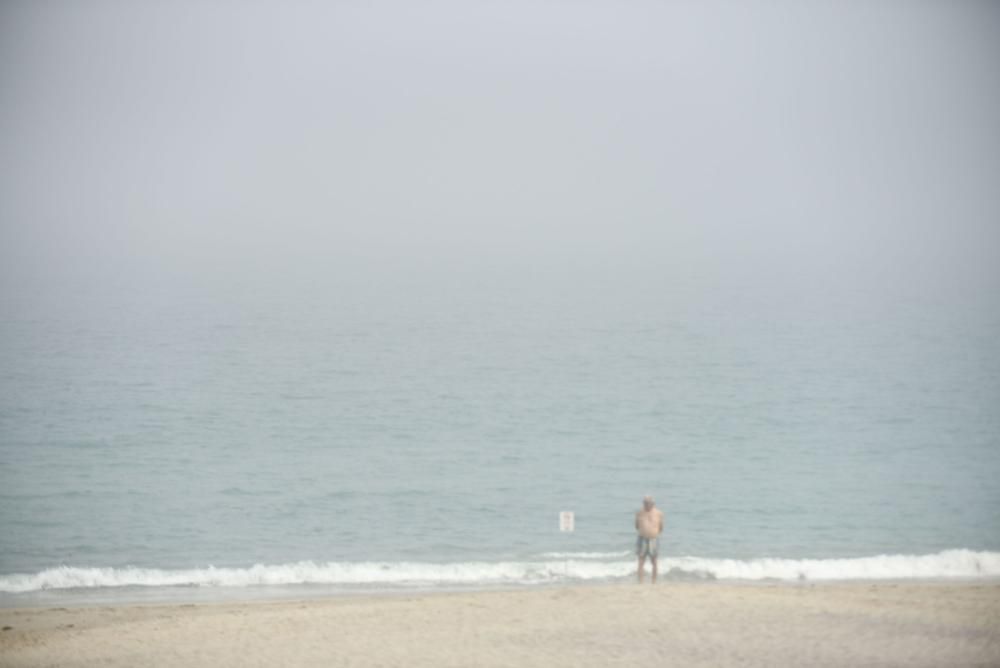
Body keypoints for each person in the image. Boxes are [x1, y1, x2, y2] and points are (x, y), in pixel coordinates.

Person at [635, 495, 663, 583]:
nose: (646, 505)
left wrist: (653, 533)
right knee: (641, 561)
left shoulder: (659, 513)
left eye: (648, 503)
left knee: (654, 561)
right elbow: (636, 526)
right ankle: (640, 582)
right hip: (642, 539)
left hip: (653, 539)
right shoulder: (639, 513)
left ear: (652, 503)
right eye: (644, 503)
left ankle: (653, 582)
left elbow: (661, 527)